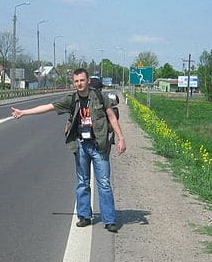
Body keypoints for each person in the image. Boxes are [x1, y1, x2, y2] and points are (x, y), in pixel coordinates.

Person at [11, 68, 126, 232]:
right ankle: (84, 216)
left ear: (88, 81)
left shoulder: (100, 97)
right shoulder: (72, 99)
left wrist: (121, 138)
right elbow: (48, 107)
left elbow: (112, 117)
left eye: (82, 80)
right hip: (81, 146)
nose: (79, 83)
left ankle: (109, 220)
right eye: (76, 81)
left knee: (104, 183)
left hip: (98, 145)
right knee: (82, 183)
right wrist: (23, 112)